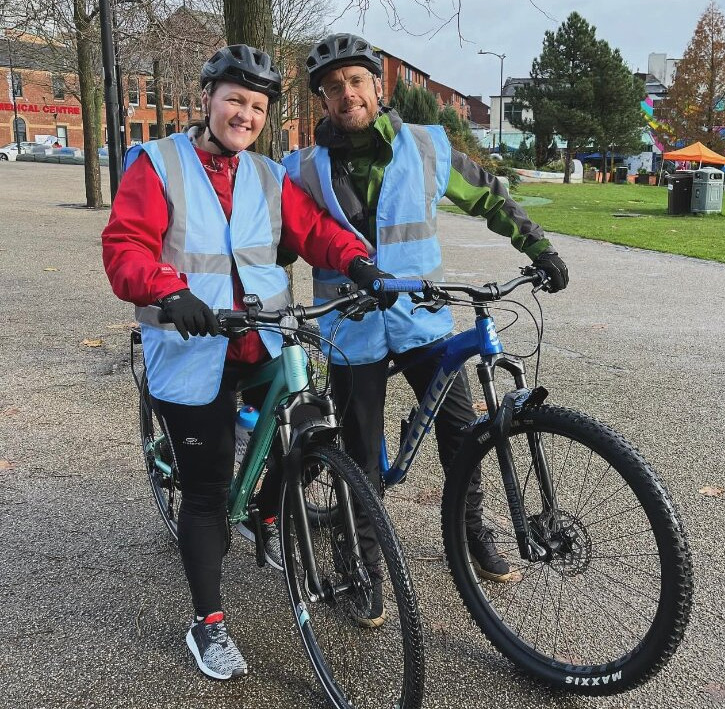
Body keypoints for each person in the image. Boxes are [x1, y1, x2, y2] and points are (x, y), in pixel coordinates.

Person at [101, 44, 383, 680]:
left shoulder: (267, 175)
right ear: (207, 99)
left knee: (306, 429)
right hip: (192, 348)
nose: (246, 114)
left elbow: (313, 230)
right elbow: (125, 246)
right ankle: (209, 623)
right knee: (205, 495)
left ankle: (272, 514)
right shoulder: (158, 164)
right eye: (235, 100)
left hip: (263, 341)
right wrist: (169, 291)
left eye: (257, 107)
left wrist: (358, 260)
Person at [283, 33, 569, 624]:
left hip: (422, 320)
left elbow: (489, 196)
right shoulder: (303, 168)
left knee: (463, 436)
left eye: (356, 81)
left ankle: (469, 534)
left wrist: (537, 247)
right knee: (358, 454)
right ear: (321, 100)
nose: (347, 94)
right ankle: (361, 561)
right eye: (333, 88)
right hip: (350, 329)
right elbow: (282, 236)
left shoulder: (426, 146)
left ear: (377, 86)